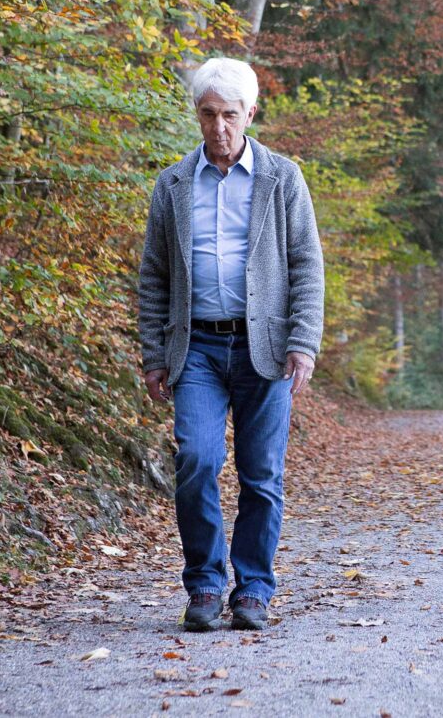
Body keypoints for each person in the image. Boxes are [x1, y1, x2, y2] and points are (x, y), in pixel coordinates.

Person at [138, 57, 324, 633]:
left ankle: (254, 590)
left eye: (231, 115)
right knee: (196, 459)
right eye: (209, 114)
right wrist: (153, 353)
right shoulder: (172, 184)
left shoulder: (282, 178)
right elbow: (153, 276)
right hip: (194, 348)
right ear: (197, 114)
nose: (219, 127)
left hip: (263, 347)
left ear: (250, 114)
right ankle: (205, 585)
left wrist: (303, 342)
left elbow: (306, 267)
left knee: (261, 473)